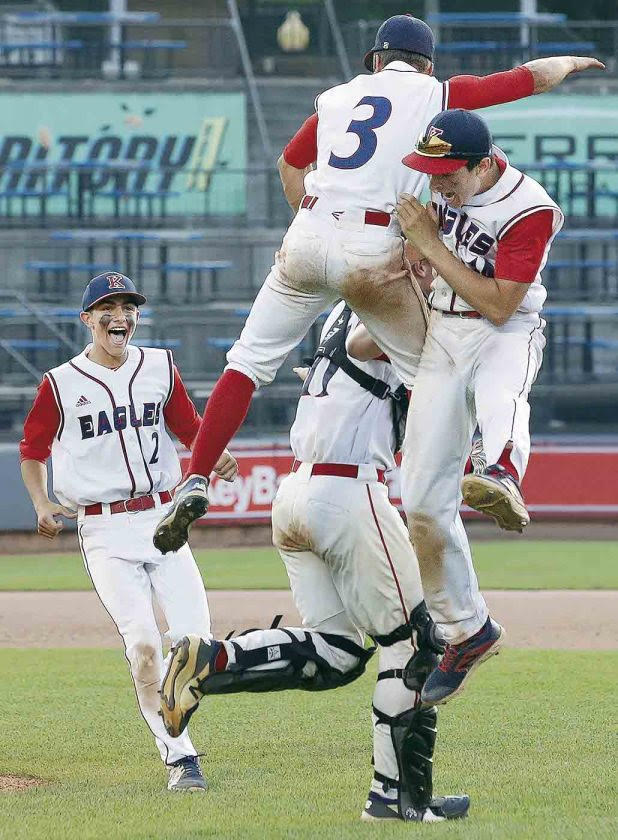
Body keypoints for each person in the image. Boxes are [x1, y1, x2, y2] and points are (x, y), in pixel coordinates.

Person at [151, 14, 601, 559]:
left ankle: (194, 479)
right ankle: (487, 463)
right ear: (427, 63)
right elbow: (525, 78)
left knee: (246, 363)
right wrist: (573, 62)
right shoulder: (438, 93)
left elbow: (289, 165)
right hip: (374, 246)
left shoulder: (337, 97)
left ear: (374, 60)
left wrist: (316, 225)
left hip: (310, 230)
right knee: (439, 372)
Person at [157, 300, 469, 823]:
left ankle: (210, 661)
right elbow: (366, 343)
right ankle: (396, 799)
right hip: (347, 489)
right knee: (415, 646)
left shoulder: (344, 304)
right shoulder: (387, 303)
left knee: (339, 652)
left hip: (299, 491)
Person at [19, 272, 238, 792]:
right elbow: (33, 451)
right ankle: (179, 757)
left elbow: (188, 426)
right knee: (142, 643)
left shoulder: (159, 365)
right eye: (107, 308)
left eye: (128, 306)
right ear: (87, 319)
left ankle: (175, 725)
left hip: (164, 520)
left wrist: (213, 452)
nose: (120, 316)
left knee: (195, 642)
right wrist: (41, 500)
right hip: (104, 527)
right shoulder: (60, 383)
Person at [390, 108, 563, 706]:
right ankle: (467, 630)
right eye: (430, 169)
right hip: (443, 327)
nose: (436, 181)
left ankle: (503, 472)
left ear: (484, 162)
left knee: (500, 396)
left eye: (448, 172)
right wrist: (418, 257)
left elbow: (497, 304)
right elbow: (425, 253)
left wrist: (430, 246)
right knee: (419, 503)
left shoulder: (528, 208)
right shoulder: (440, 182)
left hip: (505, 328)